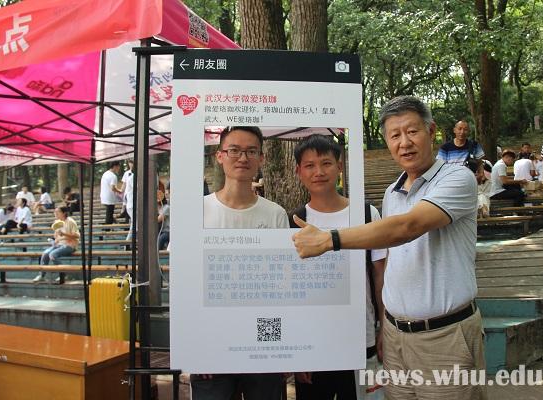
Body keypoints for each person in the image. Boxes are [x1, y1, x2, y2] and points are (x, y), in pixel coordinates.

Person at [292, 96, 486, 400]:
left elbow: (407, 227)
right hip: (397, 337)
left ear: (431, 131)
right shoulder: (392, 193)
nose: (404, 143)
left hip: (444, 336)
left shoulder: (457, 178)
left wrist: (330, 240)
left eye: (412, 131)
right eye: (395, 135)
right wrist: (385, 326)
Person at [194, 126, 288, 400]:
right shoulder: (197, 211)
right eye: (234, 150)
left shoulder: (275, 214)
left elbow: (281, 284)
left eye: (251, 151)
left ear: (261, 158)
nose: (243, 158)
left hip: (263, 336)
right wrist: (196, 346)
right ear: (219, 156)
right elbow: (187, 280)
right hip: (212, 337)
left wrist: (281, 347)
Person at [289, 134, 386, 400]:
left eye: (326, 163)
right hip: (312, 343)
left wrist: (384, 328)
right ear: (298, 171)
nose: (318, 172)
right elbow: (290, 290)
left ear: (340, 166)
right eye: (309, 165)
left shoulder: (367, 215)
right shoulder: (294, 221)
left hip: (361, 336)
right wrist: (295, 348)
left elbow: (380, 274)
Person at [33, 206, 80, 283]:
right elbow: (57, 236)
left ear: (64, 213)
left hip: (70, 245)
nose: (55, 213)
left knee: (52, 255)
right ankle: (41, 275)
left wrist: (64, 234)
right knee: (45, 254)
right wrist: (55, 238)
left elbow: (77, 236)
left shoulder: (70, 221)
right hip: (59, 244)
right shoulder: (57, 222)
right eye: (55, 212)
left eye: (58, 212)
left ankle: (63, 274)